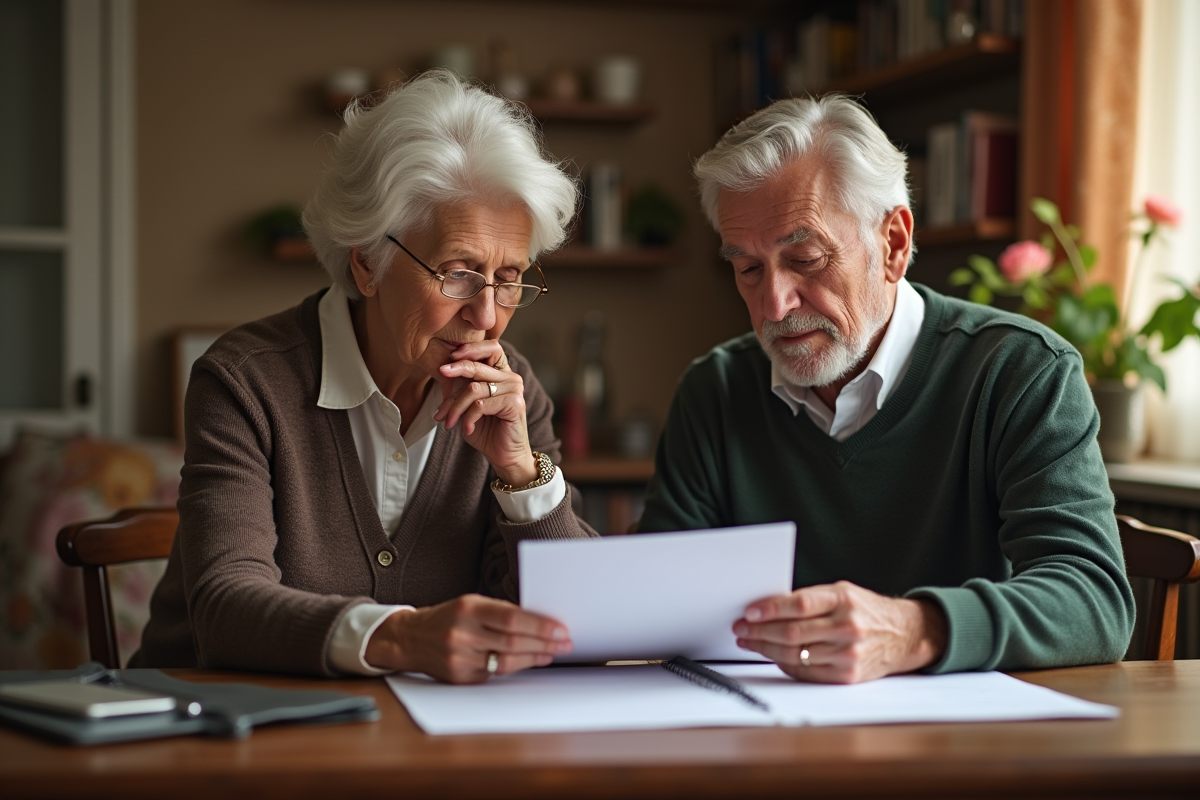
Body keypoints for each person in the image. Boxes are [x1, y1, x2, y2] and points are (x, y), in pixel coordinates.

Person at [637, 95, 1134, 684]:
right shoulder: (714, 390)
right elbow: (655, 600)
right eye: (748, 268)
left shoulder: (1021, 372)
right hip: (765, 738)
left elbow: (1094, 601)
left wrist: (914, 629)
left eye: (806, 257)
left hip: (968, 748)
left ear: (893, 244)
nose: (773, 304)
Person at [133, 71, 598, 683]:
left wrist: (520, 473)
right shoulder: (244, 382)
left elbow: (580, 619)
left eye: (509, 277)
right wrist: (402, 635)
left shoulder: (514, 393)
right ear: (369, 261)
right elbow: (225, 608)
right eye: (459, 273)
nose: (487, 315)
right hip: (219, 733)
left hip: (421, 742)